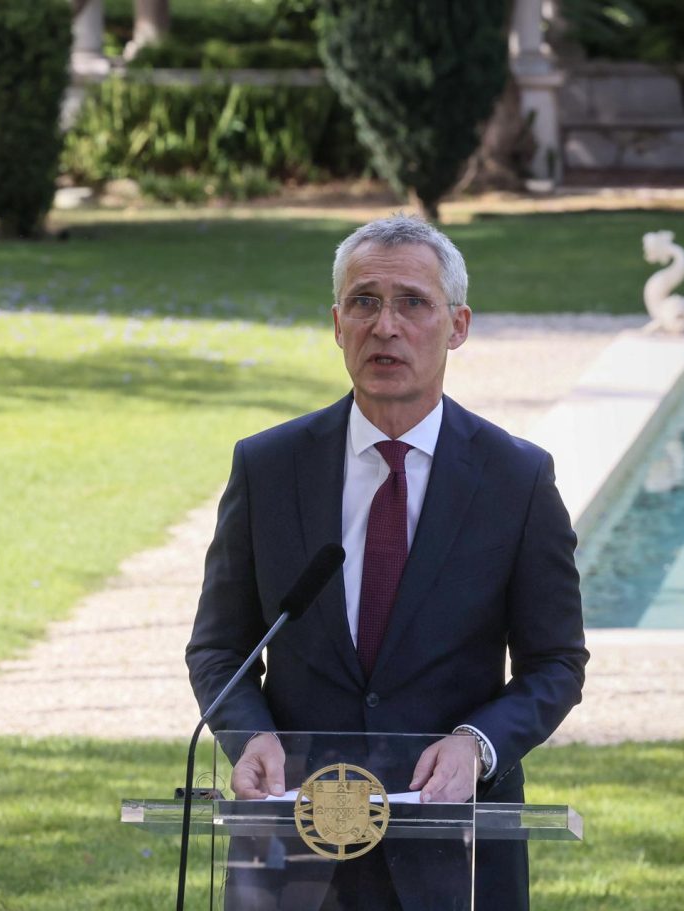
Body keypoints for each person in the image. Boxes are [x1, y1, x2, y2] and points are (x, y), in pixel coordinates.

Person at [185, 215, 589, 910]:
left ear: (457, 325)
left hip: (452, 856)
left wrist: (476, 743)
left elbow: (555, 662)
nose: (386, 326)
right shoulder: (268, 466)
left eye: (413, 303)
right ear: (337, 323)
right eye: (364, 302)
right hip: (293, 847)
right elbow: (222, 648)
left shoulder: (516, 479)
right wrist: (249, 734)